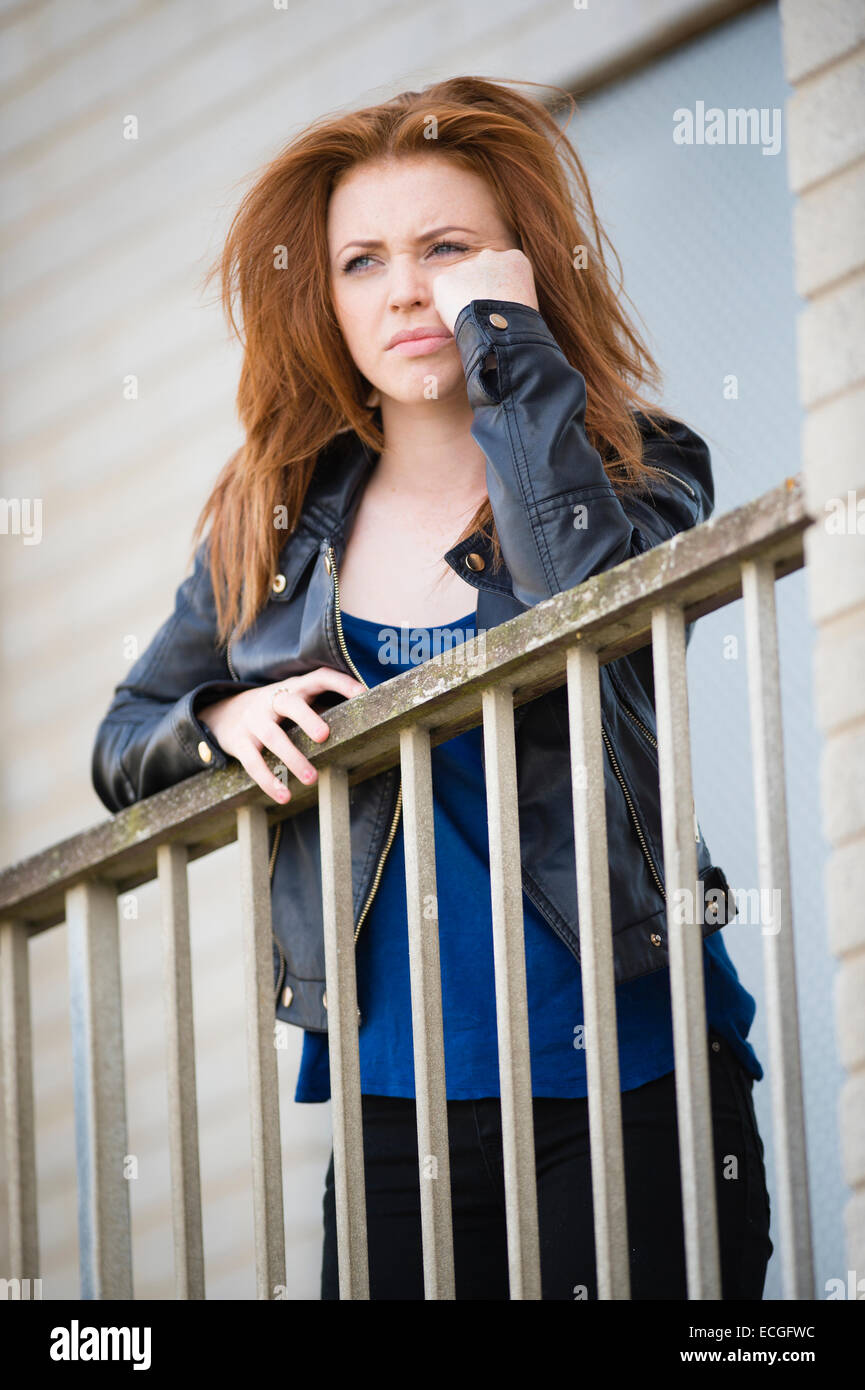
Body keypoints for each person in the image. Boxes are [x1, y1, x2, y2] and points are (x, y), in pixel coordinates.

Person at [91, 76, 773, 1300]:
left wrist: (507, 353)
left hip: (631, 1064)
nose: (405, 288)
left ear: (516, 269)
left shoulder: (642, 461)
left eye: (446, 250)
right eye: (361, 262)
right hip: (394, 1103)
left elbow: (584, 602)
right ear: (328, 300)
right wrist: (220, 718)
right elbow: (124, 738)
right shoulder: (274, 524)